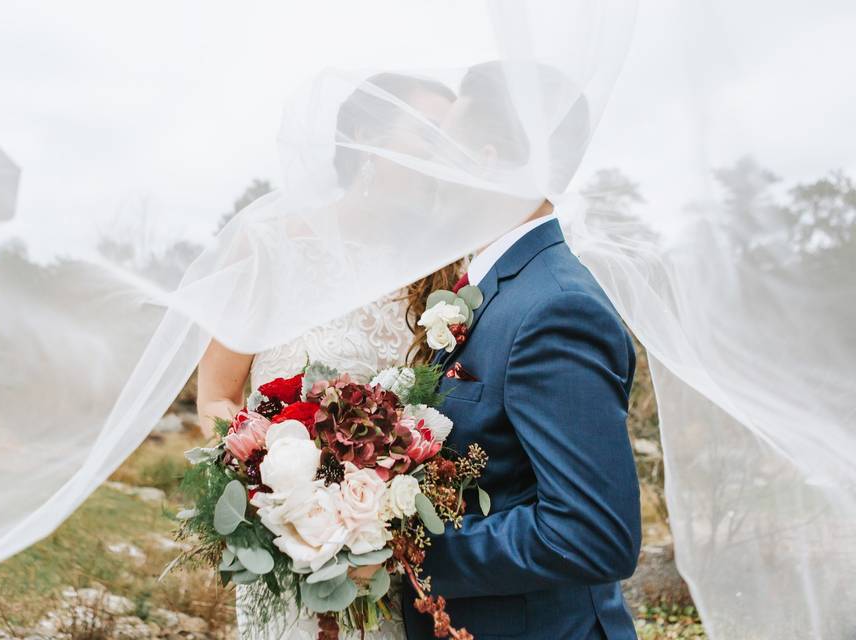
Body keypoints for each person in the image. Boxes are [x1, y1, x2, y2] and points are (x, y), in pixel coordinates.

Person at [196, 72, 461, 640]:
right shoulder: (271, 246)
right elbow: (217, 393)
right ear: (367, 138)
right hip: (286, 549)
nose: (443, 159)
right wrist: (275, 491)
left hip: (388, 564)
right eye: (427, 137)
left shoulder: (443, 275)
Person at [400, 62, 642, 640]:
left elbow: (591, 533)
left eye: (443, 148)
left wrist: (408, 555)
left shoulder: (555, 307)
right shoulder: (492, 287)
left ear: (483, 160)